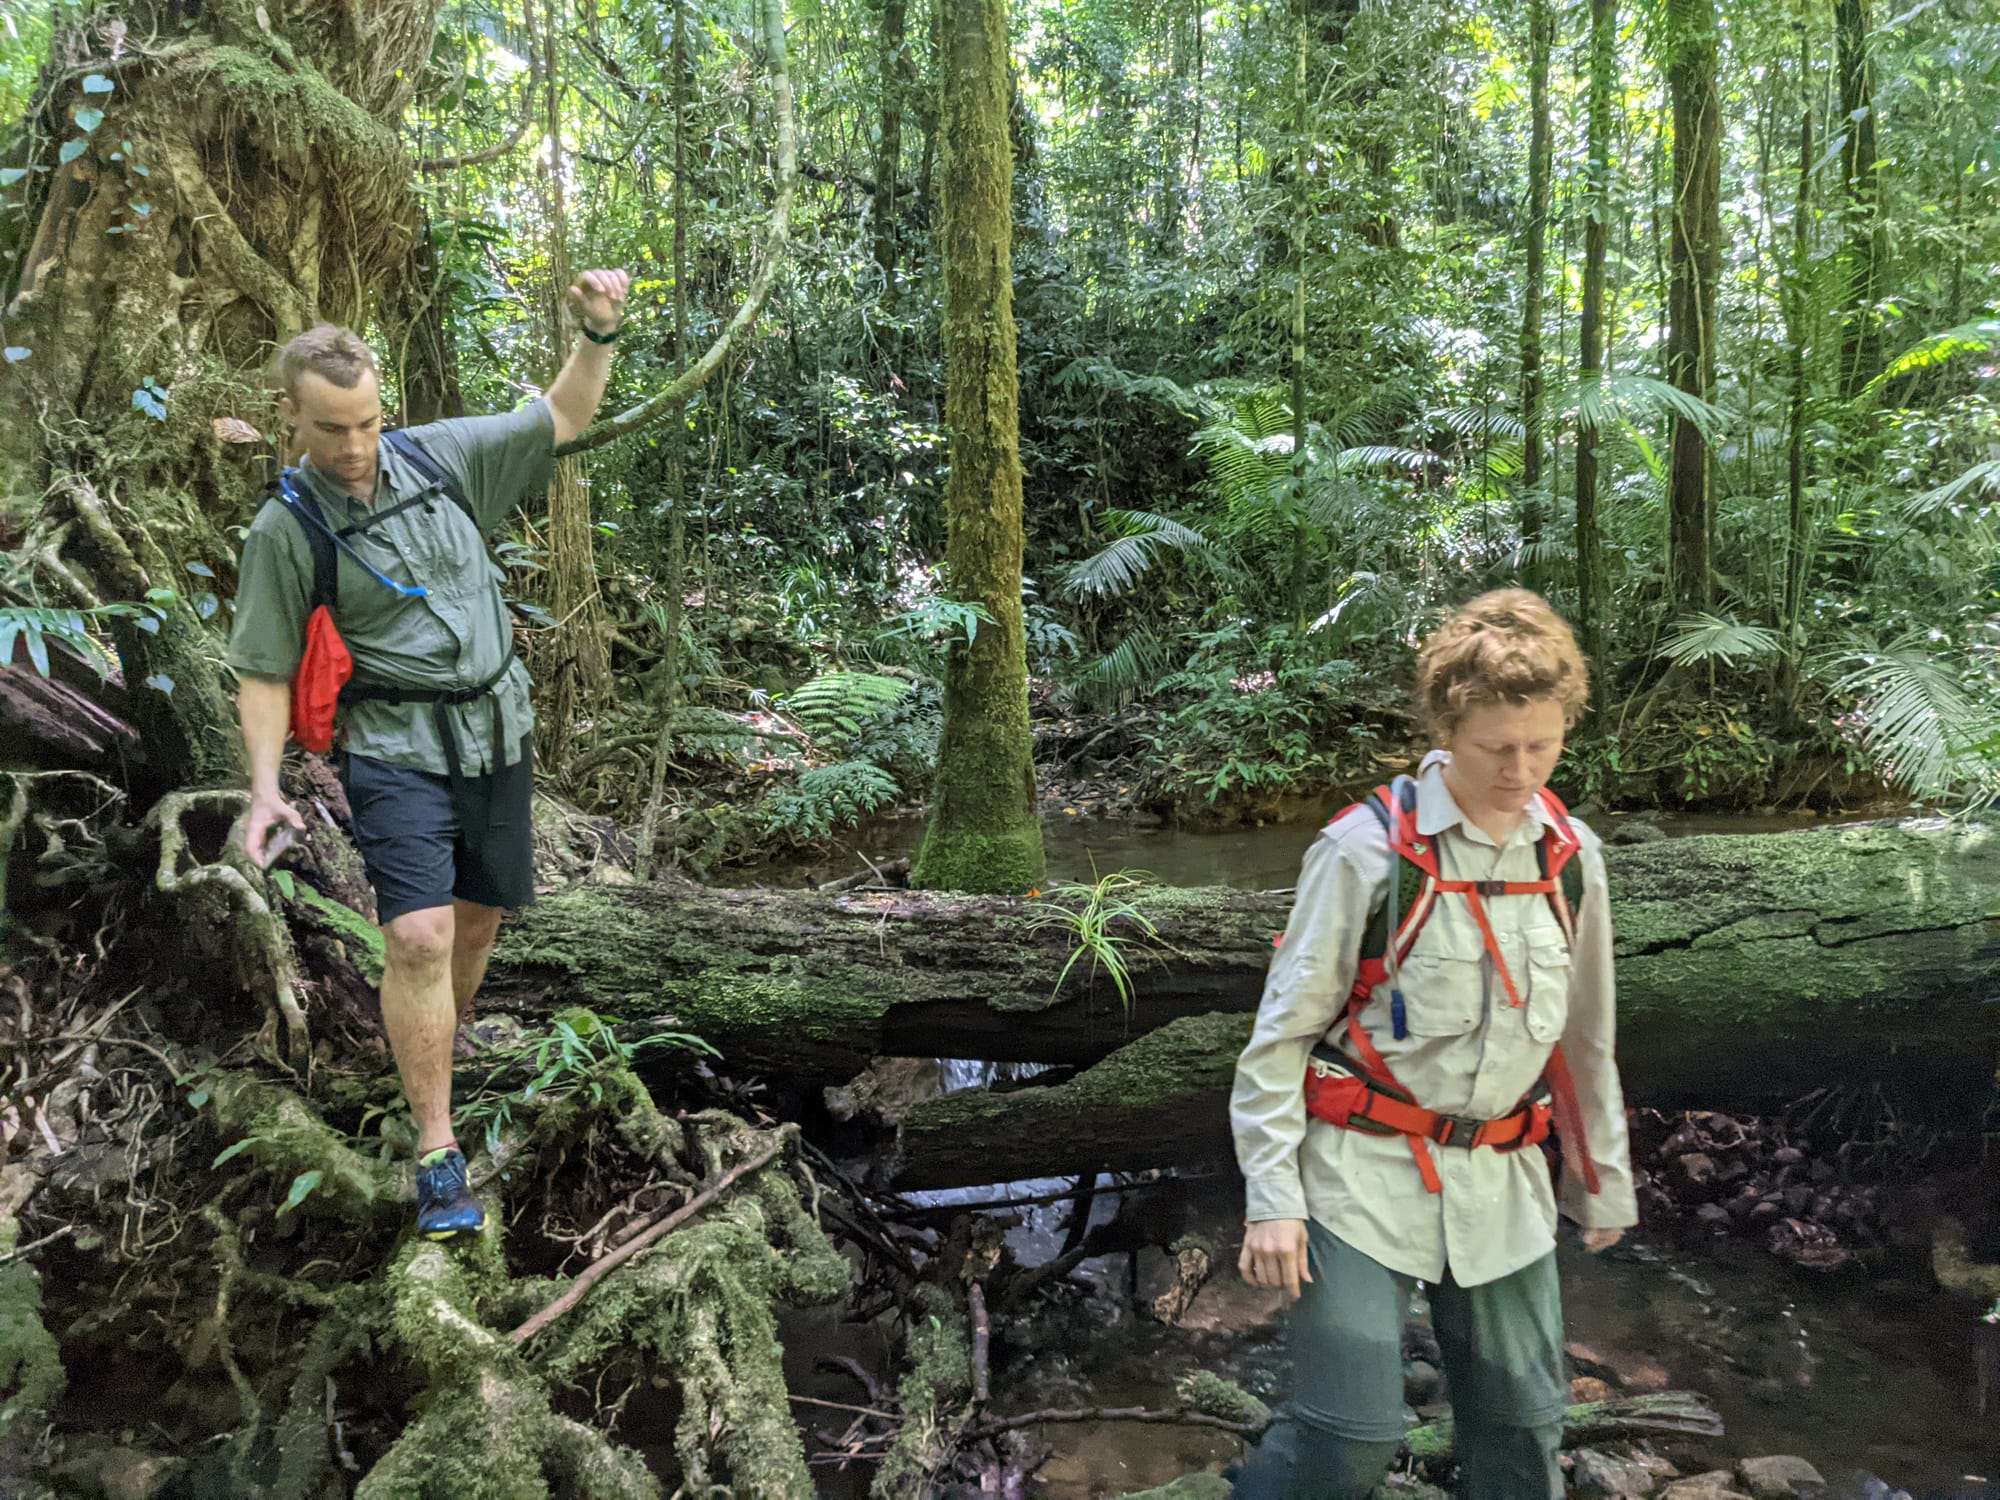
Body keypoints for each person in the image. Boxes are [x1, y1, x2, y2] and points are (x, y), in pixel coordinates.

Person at [228, 269, 631, 1239]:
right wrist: (265, 787)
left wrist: (597, 334)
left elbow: (561, 416)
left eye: (368, 422)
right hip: (393, 744)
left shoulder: (439, 458)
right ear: (290, 418)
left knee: (478, 924)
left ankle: (429, 1048)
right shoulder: (286, 530)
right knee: (417, 937)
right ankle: (437, 1145)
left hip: (496, 731)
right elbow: (265, 670)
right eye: (332, 429)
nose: (355, 446)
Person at [1228, 589, 1638, 1499]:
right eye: (1498, 748)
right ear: (1448, 731)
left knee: (1526, 1428)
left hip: (1502, 1184)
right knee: (1350, 1437)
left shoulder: (1572, 859)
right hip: (1359, 1177)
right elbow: (1279, 1040)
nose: (1522, 771)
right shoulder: (1364, 854)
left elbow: (1585, 1036)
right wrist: (1272, 1201)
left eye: (1543, 745)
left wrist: (1602, 1178)